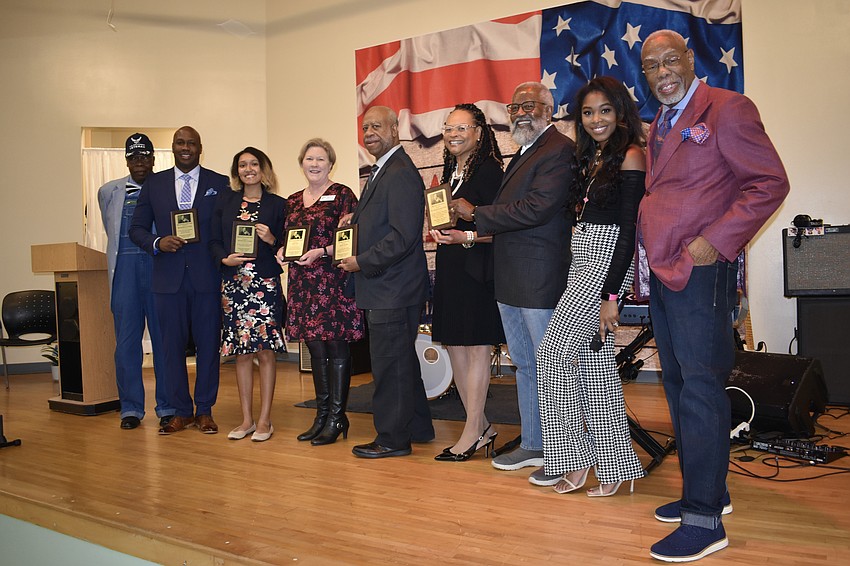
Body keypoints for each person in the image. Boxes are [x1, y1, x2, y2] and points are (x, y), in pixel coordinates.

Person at [639, 30, 789, 562]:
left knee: (701, 386)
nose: (662, 72)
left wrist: (713, 243)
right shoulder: (659, 122)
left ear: (690, 58)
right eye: (651, 65)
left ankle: (705, 522)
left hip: (702, 270)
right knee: (678, 383)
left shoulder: (727, 108)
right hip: (664, 272)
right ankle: (708, 493)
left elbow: (769, 182)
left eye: (670, 60)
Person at [451, 82, 574, 478]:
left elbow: (538, 208)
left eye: (529, 105)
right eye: (514, 106)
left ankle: (562, 452)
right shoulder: (524, 151)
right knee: (524, 365)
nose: (521, 112)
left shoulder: (559, 149)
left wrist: (476, 214)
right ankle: (534, 444)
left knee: (551, 366)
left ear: (548, 109)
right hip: (511, 278)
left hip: (539, 279)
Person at [536, 77, 646, 496]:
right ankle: (614, 466)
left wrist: (610, 295)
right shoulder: (593, 157)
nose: (596, 119)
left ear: (619, 112)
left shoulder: (631, 155)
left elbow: (628, 230)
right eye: (587, 112)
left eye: (604, 110)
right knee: (593, 367)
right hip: (581, 257)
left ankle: (577, 460)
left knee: (551, 357)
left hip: (603, 262)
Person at [339, 106, 434, 458]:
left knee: (389, 366)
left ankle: (392, 439)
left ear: (395, 129)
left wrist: (360, 261)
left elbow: (403, 236)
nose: (369, 133)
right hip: (389, 287)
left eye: (377, 126)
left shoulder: (398, 172)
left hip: (391, 288)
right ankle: (419, 427)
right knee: (401, 363)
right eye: (365, 128)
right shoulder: (383, 171)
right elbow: (387, 225)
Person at [129, 126, 230, 435]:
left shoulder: (219, 183)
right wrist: (158, 243)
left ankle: (205, 410)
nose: (186, 147)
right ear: (172, 147)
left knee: (208, 346)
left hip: (206, 279)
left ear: (200, 148)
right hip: (167, 279)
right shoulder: (154, 184)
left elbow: (226, 229)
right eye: (180, 142)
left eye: (191, 143)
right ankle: (181, 411)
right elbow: (137, 228)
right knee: (170, 348)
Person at [428, 103, 505, 461]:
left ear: (478, 132)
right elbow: (449, 220)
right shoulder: (451, 170)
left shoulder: (489, 171)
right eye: (448, 128)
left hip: (478, 269)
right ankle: (483, 425)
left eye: (462, 128)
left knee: (474, 349)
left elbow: (500, 228)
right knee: (455, 347)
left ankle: (472, 432)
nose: (453, 134)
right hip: (451, 267)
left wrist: (467, 237)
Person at [277, 138, 364, 446]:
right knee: (315, 349)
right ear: (302, 163)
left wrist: (321, 251)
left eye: (320, 159)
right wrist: (281, 251)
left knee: (336, 349)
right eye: (309, 159)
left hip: (333, 281)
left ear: (330, 164)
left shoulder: (343, 196)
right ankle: (321, 415)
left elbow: (351, 238)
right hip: (303, 283)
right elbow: (289, 238)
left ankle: (338, 417)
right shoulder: (292, 201)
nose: (314, 164)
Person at [209, 147, 287, 442]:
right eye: (243, 165)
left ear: (264, 169)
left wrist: (271, 239)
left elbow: (288, 244)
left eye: (254, 164)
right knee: (241, 354)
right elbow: (213, 240)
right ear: (236, 171)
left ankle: (265, 420)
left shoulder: (278, 204)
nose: (248, 169)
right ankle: (246, 420)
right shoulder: (225, 201)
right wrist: (223, 259)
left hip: (264, 285)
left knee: (266, 352)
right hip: (234, 286)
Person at [97, 133, 173, 430]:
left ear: (153, 160)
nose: (140, 163)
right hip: (124, 274)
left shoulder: (165, 188)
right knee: (126, 344)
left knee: (164, 343)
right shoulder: (109, 191)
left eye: (145, 157)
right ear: (126, 160)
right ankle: (130, 408)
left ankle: (167, 406)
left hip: (159, 272)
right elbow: (110, 227)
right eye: (134, 157)